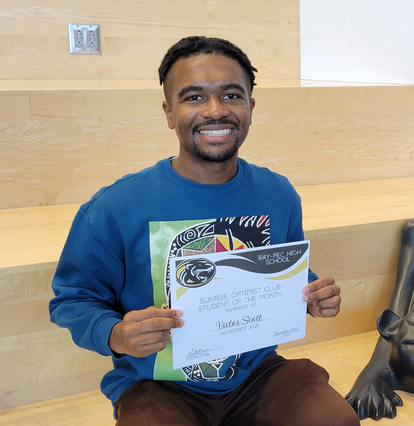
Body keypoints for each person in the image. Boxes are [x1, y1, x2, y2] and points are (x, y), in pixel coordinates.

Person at [49, 36, 360, 426]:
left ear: (250, 106)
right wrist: (117, 334)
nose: (215, 110)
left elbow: (283, 270)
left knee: (335, 420)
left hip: (256, 375)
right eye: (194, 97)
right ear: (168, 112)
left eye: (231, 95)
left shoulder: (278, 194)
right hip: (158, 382)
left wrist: (314, 293)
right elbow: (72, 300)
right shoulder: (115, 207)